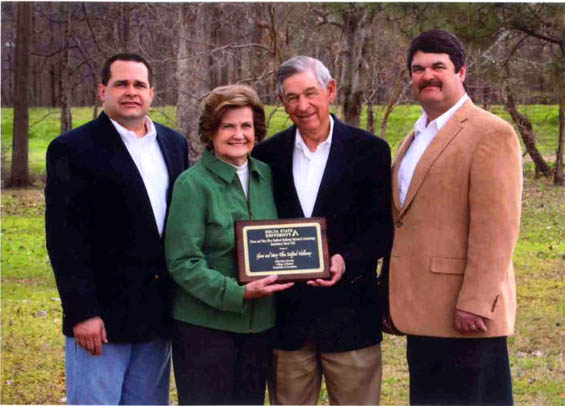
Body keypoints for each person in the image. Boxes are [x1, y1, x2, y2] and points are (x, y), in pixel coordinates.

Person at [45, 53, 188, 405]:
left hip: (155, 317)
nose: (131, 91)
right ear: (102, 90)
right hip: (101, 320)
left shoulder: (174, 144)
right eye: (121, 83)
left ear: (152, 92)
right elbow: (65, 238)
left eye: (139, 84)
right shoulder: (72, 148)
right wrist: (82, 312)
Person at [388, 29, 522, 405]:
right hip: (423, 311)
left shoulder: (490, 133)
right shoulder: (413, 137)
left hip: (466, 316)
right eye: (418, 68)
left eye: (438, 66)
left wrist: (477, 301)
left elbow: (497, 228)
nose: (427, 75)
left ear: (461, 72)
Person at [253, 56, 394, 405]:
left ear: (330, 91)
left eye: (311, 93)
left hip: (351, 318)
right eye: (291, 97)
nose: (303, 106)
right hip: (288, 322)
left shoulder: (370, 151)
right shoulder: (267, 156)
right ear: (282, 103)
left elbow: (381, 230)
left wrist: (346, 260)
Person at [164, 84, 294, 405]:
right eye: (228, 126)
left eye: (246, 125)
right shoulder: (192, 185)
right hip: (204, 330)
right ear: (211, 132)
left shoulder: (267, 176)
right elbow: (183, 261)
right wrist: (238, 292)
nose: (239, 134)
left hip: (260, 328)